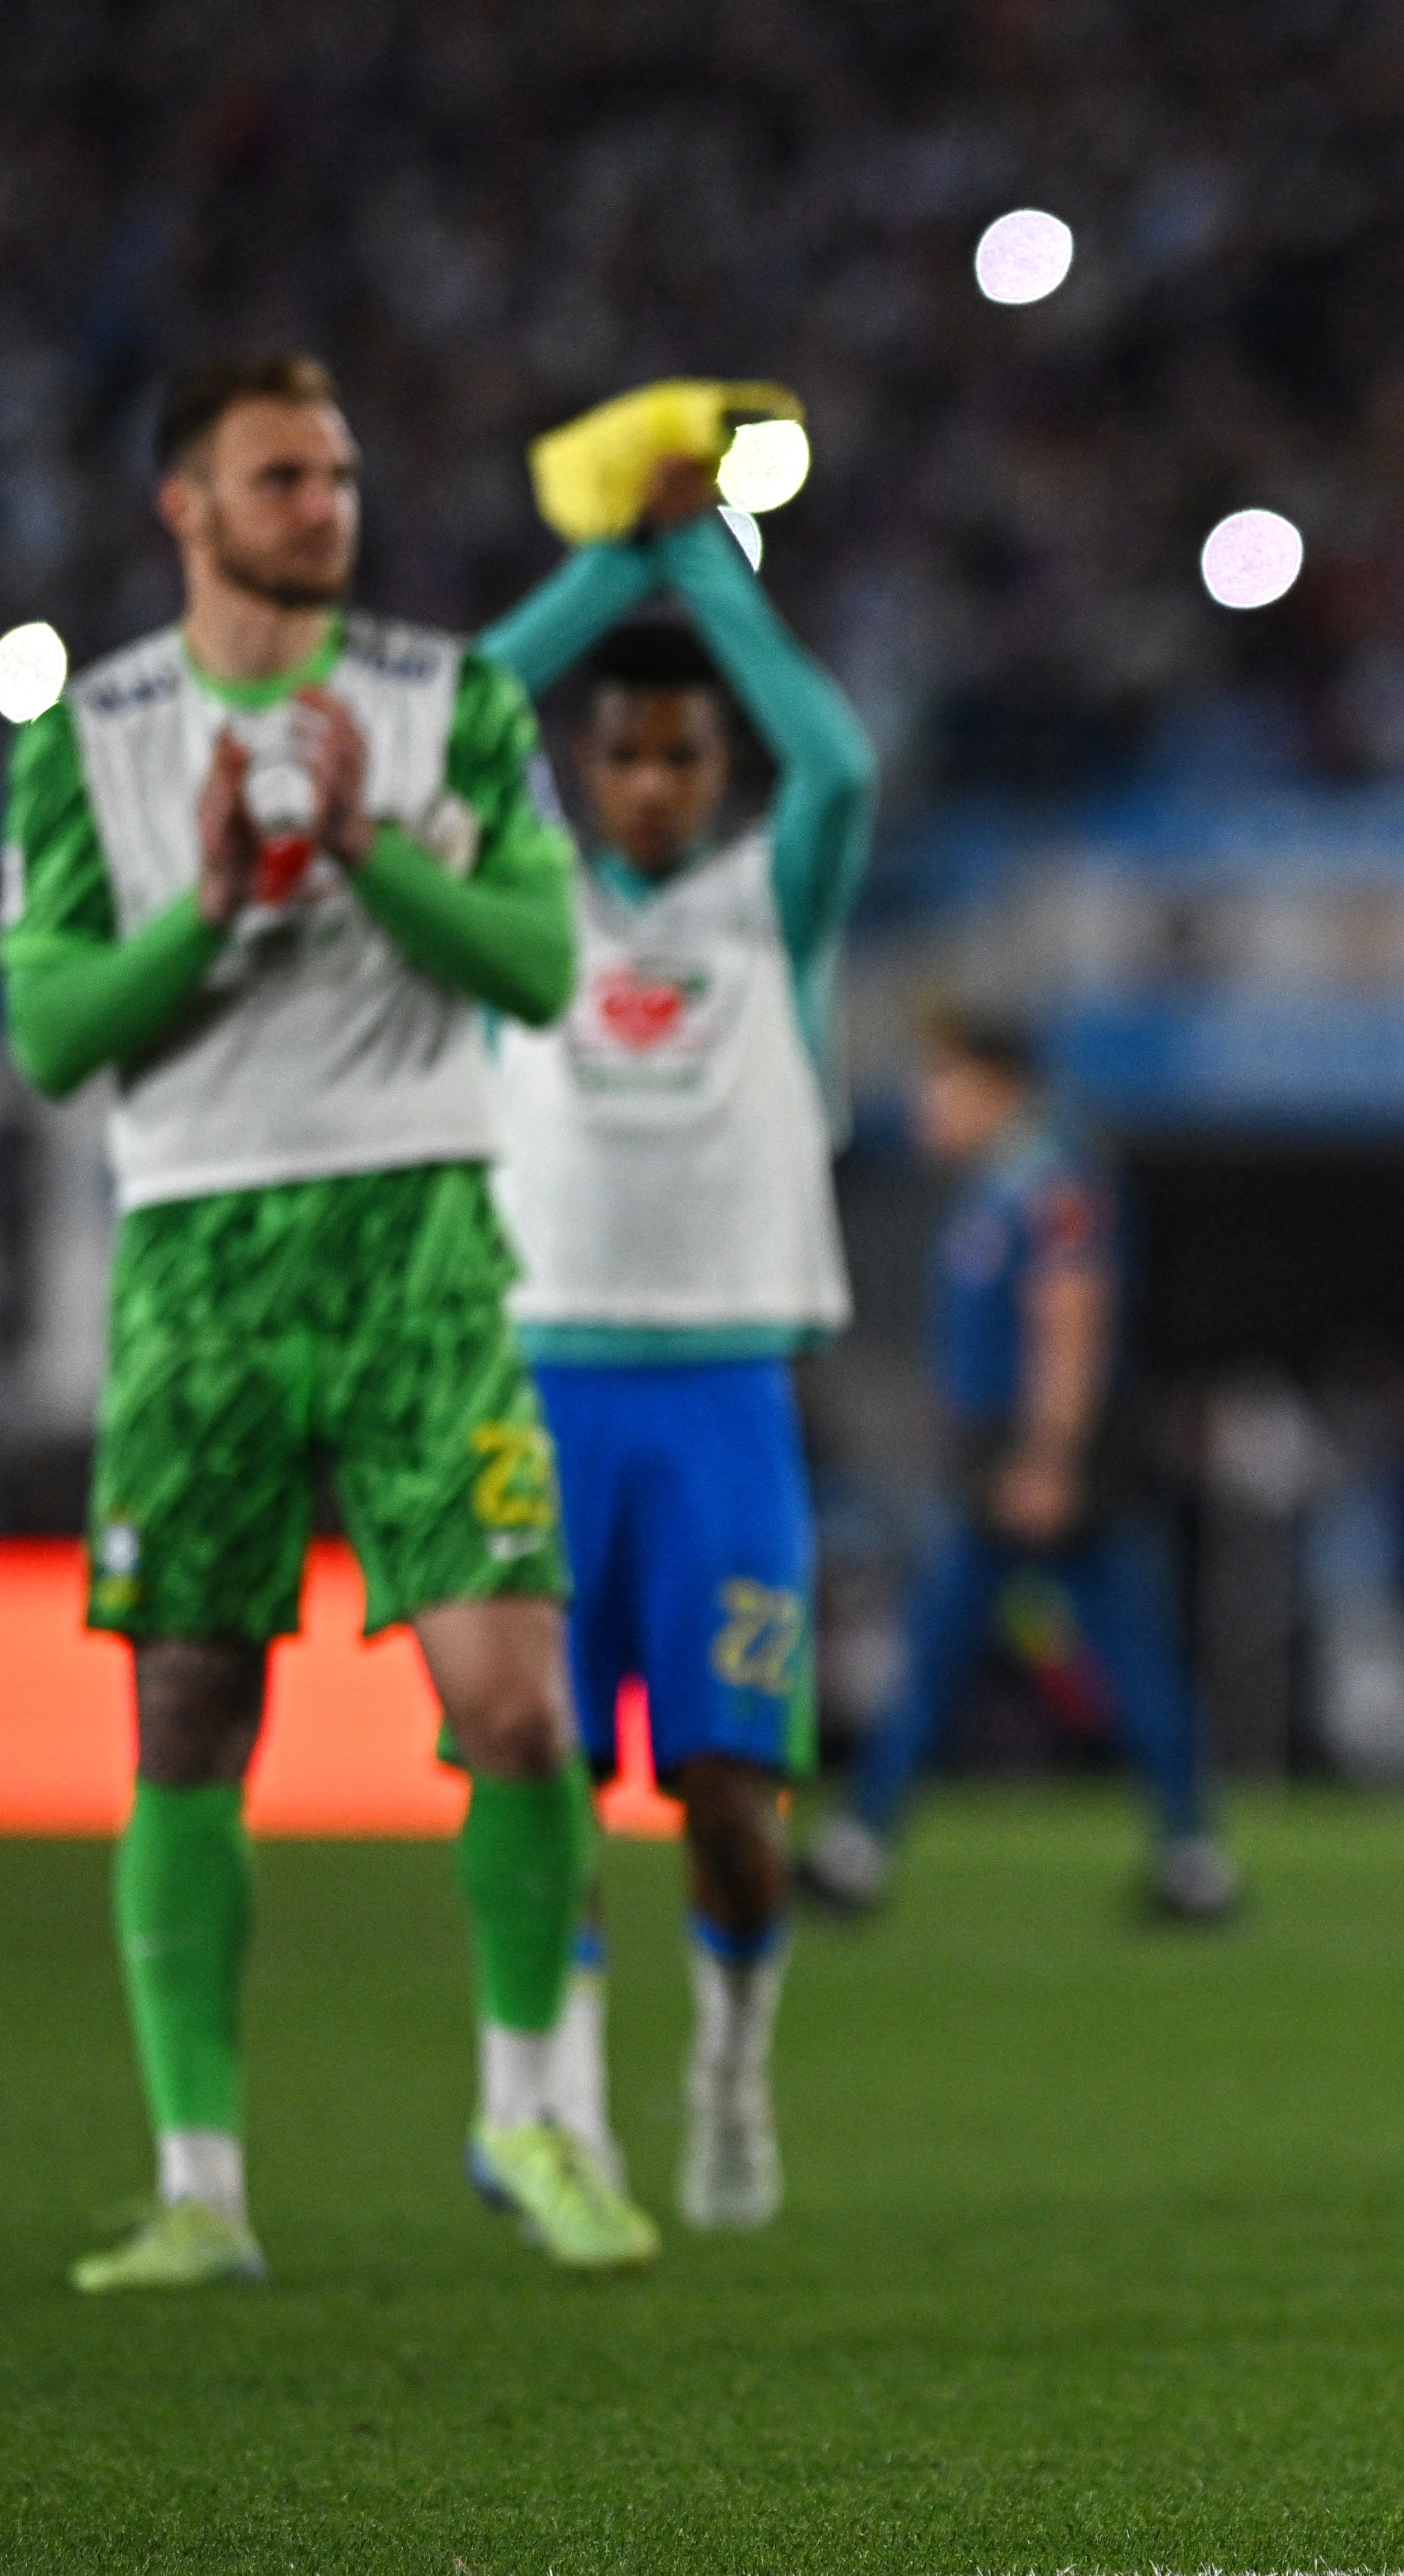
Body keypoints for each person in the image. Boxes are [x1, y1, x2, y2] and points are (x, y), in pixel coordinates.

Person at [0, 352, 656, 2287]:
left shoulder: (445, 704)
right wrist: (207, 905)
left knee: (521, 1701)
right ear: (181, 507)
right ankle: (200, 2184)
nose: (324, 507)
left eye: (342, 475)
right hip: (197, 1251)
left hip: (419, 1238)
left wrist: (367, 848)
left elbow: (539, 965)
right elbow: (50, 1037)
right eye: (282, 477)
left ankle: (533, 2111)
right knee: (190, 1710)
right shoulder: (90, 734)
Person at [473, 448, 879, 2230]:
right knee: (537, 1773)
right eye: (622, 753)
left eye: (682, 758)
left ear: (721, 779)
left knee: (730, 1789)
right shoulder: (526, 900)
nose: (648, 782)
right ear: (583, 769)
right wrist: (601, 557)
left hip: (724, 1393)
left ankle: (726, 2069)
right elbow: (454, 710)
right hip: (539, 1381)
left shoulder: (762, 916)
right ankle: (557, 2108)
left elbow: (848, 762)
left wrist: (704, 563)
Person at [800, 1010, 1238, 1924]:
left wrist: (1049, 1458)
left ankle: (863, 1847)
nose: (928, 1104)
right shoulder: (1000, 1183)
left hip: (1044, 1465)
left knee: (1094, 1654)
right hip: (1003, 1459)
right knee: (966, 1650)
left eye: (943, 1081)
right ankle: (1190, 1855)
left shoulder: (1051, 1180)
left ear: (998, 1083)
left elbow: (1070, 1318)